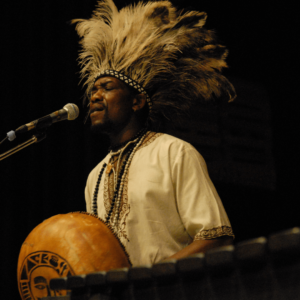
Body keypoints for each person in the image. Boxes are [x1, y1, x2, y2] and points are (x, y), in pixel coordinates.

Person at [73, 0, 236, 267]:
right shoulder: (96, 176)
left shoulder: (174, 153)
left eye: (107, 87)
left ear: (136, 102)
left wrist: (151, 279)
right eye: (93, 90)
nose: (95, 96)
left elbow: (216, 236)